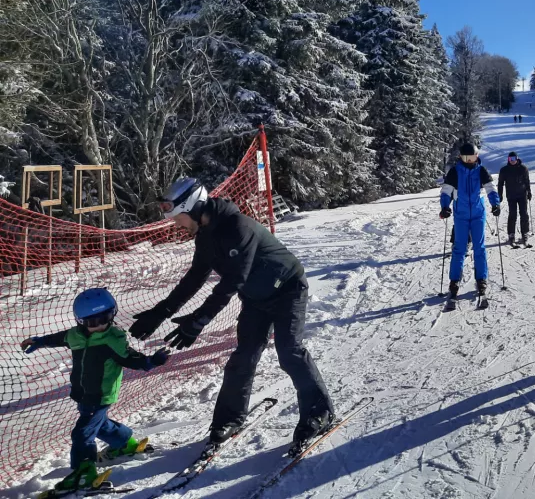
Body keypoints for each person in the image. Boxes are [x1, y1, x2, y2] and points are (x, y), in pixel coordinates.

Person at [129, 177, 332, 454]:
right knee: (243, 357)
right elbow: (195, 278)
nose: (176, 223)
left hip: (287, 289)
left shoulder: (239, 228)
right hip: (256, 297)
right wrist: (161, 311)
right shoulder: (205, 236)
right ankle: (230, 419)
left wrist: (198, 321)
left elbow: (231, 282)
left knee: (290, 352)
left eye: (177, 217)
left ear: (193, 207)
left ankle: (318, 414)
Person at [22, 289, 168, 493]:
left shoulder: (113, 339)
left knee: (82, 434)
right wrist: (39, 342)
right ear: (81, 321)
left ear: (113, 314)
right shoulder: (74, 335)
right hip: (82, 394)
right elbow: (58, 338)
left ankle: (84, 473)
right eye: (92, 322)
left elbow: (131, 358)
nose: (99, 326)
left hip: (101, 395)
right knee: (99, 425)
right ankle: (126, 443)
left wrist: (151, 361)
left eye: (105, 318)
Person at [439, 143, 501, 308]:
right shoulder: (455, 171)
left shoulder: (481, 171)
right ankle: (454, 282)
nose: (469, 161)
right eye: (466, 158)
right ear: (460, 157)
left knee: (479, 247)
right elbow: (446, 190)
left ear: (477, 156)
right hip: (461, 215)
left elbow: (490, 188)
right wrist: (445, 206)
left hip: (478, 215)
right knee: (459, 248)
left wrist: (495, 204)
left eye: (472, 158)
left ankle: (481, 279)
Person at [498, 151, 532, 246]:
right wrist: (499, 195)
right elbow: (500, 184)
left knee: (524, 214)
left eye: (514, 159)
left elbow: (527, 181)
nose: (512, 161)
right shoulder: (504, 170)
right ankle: (511, 234)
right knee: (512, 214)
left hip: (522, 195)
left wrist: (529, 191)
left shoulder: (523, 169)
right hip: (511, 195)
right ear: (508, 160)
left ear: (517, 159)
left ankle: (525, 233)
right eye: (510, 159)